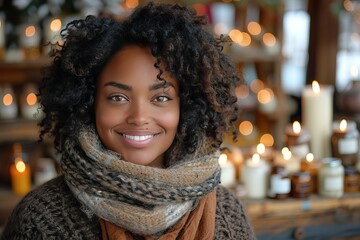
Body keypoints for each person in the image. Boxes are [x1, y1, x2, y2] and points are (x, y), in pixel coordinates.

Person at [1, 2, 255, 239]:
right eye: (118, 97)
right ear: (89, 104)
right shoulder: (40, 219)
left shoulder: (227, 214)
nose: (139, 117)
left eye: (161, 97)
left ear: (186, 106)